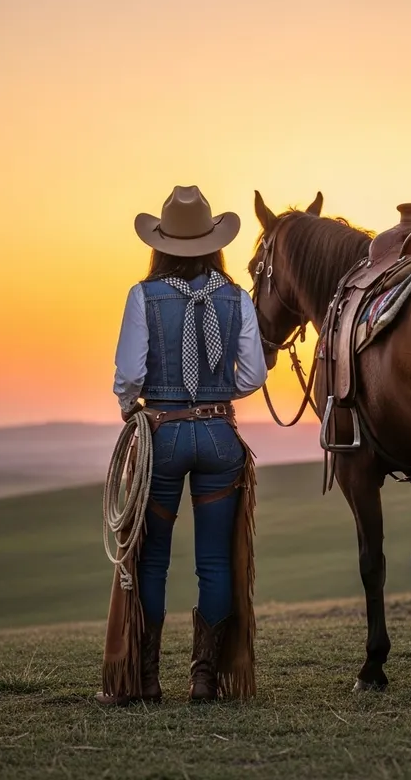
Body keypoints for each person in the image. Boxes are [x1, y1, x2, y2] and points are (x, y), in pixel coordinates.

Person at [95, 185, 267, 705]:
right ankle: (205, 681)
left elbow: (128, 375)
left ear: (161, 244)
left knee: (151, 562)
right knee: (215, 562)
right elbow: (254, 373)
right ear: (214, 243)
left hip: (163, 435)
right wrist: (215, 400)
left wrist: (136, 408)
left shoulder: (143, 296)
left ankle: (145, 681)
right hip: (219, 437)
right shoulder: (236, 297)